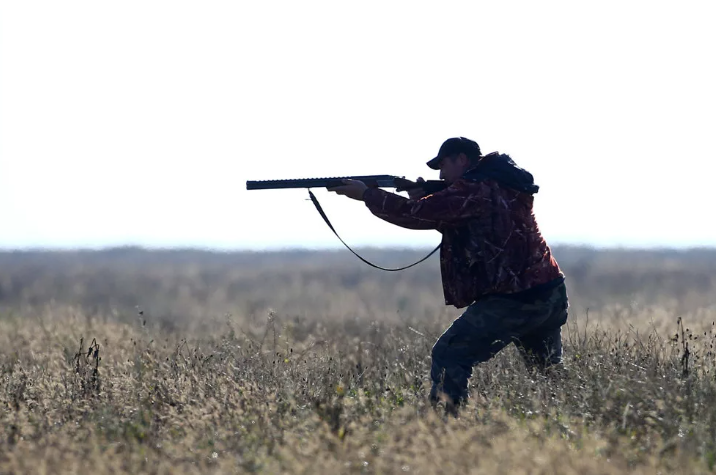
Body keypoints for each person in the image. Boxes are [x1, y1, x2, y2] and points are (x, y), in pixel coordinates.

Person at [327, 137, 569, 415]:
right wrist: (422, 195)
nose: (441, 175)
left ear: (462, 160)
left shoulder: (476, 189)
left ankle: (446, 425)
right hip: (548, 291)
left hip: (514, 299)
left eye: (443, 165)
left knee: (449, 353)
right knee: (547, 370)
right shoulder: (503, 184)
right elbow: (456, 219)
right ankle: (575, 418)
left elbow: (415, 215)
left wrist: (367, 195)